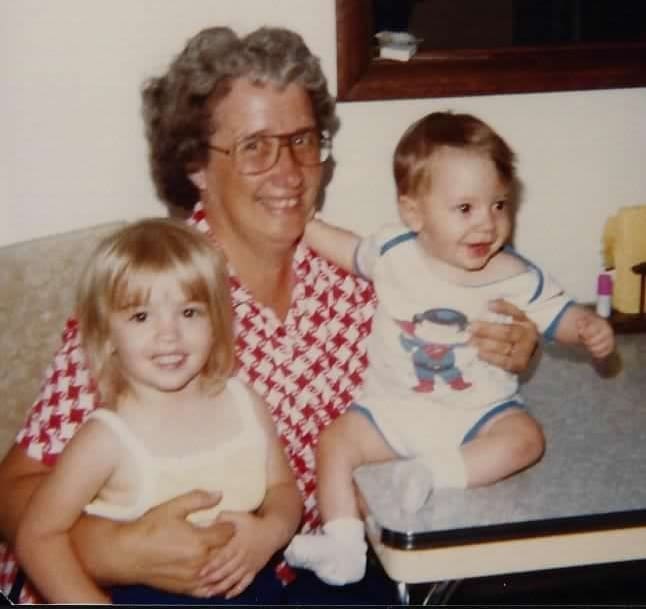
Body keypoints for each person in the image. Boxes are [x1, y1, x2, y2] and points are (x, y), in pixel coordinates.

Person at [0, 27, 540, 605]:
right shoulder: (153, 301)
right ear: (196, 166)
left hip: (306, 570)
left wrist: (506, 345)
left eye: (302, 140)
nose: (288, 173)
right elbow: (13, 492)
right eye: (254, 146)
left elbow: (443, 379)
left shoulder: (364, 287)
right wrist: (116, 547)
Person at [284, 111, 615, 585]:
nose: (487, 224)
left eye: (499, 205)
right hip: (392, 410)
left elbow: (559, 315)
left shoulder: (515, 275)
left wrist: (587, 328)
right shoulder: (394, 252)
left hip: (477, 414)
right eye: (465, 209)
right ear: (414, 213)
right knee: (336, 441)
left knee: (526, 439)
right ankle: (343, 543)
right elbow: (349, 249)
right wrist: (306, 226)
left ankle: (433, 472)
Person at [13, 218, 302, 604]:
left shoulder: (245, 404)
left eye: (189, 313)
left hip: (254, 591)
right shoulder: (106, 439)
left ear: (216, 322)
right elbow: (37, 537)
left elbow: (283, 490)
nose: (169, 334)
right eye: (140, 316)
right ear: (106, 335)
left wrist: (270, 533)